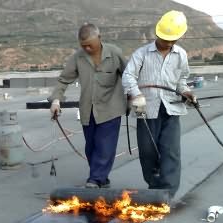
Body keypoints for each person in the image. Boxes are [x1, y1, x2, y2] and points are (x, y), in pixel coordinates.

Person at [122, 10, 197, 197]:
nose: (169, 43)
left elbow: (181, 81)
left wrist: (186, 93)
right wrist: (136, 94)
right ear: (157, 33)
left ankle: (167, 193)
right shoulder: (142, 54)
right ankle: (154, 186)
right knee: (148, 152)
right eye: (165, 39)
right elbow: (128, 76)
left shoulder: (181, 55)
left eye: (173, 40)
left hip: (171, 109)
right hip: (145, 109)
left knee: (170, 151)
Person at [48, 23, 127, 188]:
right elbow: (63, 80)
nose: (87, 49)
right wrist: (56, 100)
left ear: (99, 38)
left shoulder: (114, 53)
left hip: (111, 108)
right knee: (91, 147)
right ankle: (101, 179)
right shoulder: (78, 57)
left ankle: (95, 179)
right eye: (83, 46)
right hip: (88, 109)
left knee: (104, 146)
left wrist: (134, 97)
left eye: (90, 45)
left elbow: (129, 76)